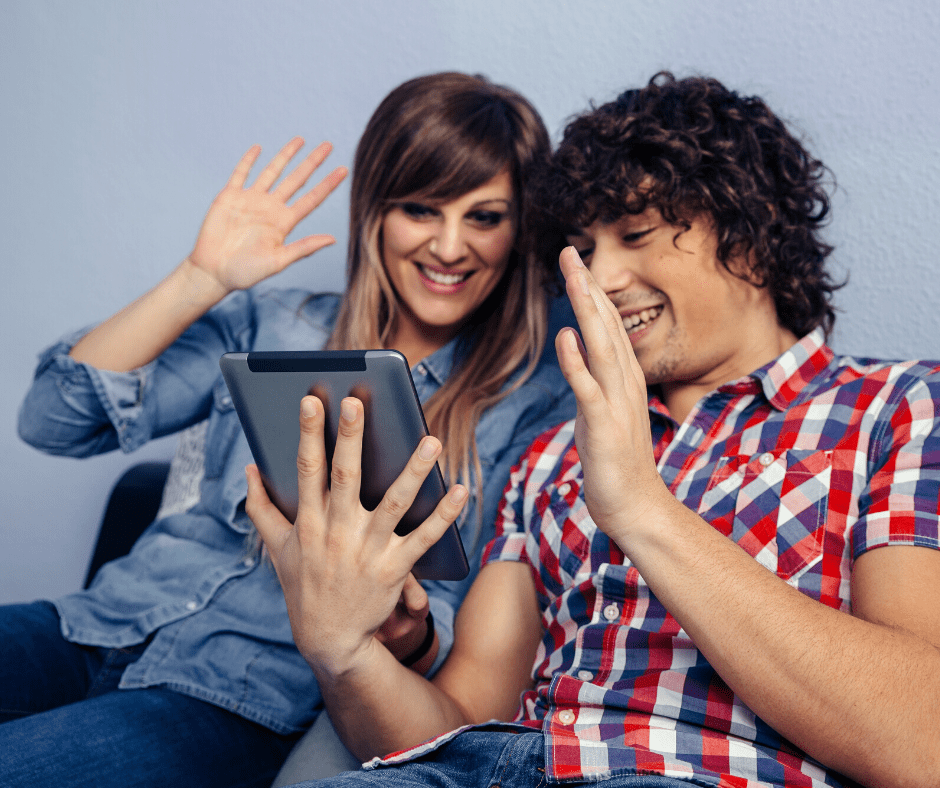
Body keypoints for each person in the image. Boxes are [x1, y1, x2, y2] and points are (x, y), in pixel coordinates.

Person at [248, 73, 940, 788]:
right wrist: (345, 652)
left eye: (634, 235)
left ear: (751, 231)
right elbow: (449, 732)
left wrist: (641, 508)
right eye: (581, 249)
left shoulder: (899, 407)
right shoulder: (550, 454)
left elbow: (924, 743)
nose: (598, 279)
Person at [6, 72, 576, 788]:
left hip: (235, 698)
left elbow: (461, 650)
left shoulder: (536, 407)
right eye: (421, 209)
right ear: (376, 209)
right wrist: (198, 278)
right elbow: (53, 420)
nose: (451, 246)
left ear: (520, 227)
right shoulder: (276, 324)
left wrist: (411, 634)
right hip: (93, 624)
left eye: (486, 217)